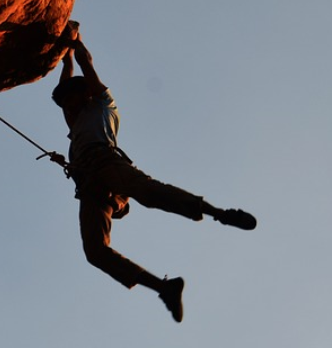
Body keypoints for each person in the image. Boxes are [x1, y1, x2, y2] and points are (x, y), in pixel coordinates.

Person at [50, 23, 256, 322]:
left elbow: (86, 64)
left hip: (107, 163)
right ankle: (163, 287)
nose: (66, 107)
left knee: (149, 193)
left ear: (84, 95)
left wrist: (76, 42)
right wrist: (65, 55)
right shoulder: (76, 121)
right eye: (65, 103)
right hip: (90, 184)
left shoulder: (103, 105)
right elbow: (68, 75)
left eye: (70, 100)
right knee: (95, 252)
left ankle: (219, 213)